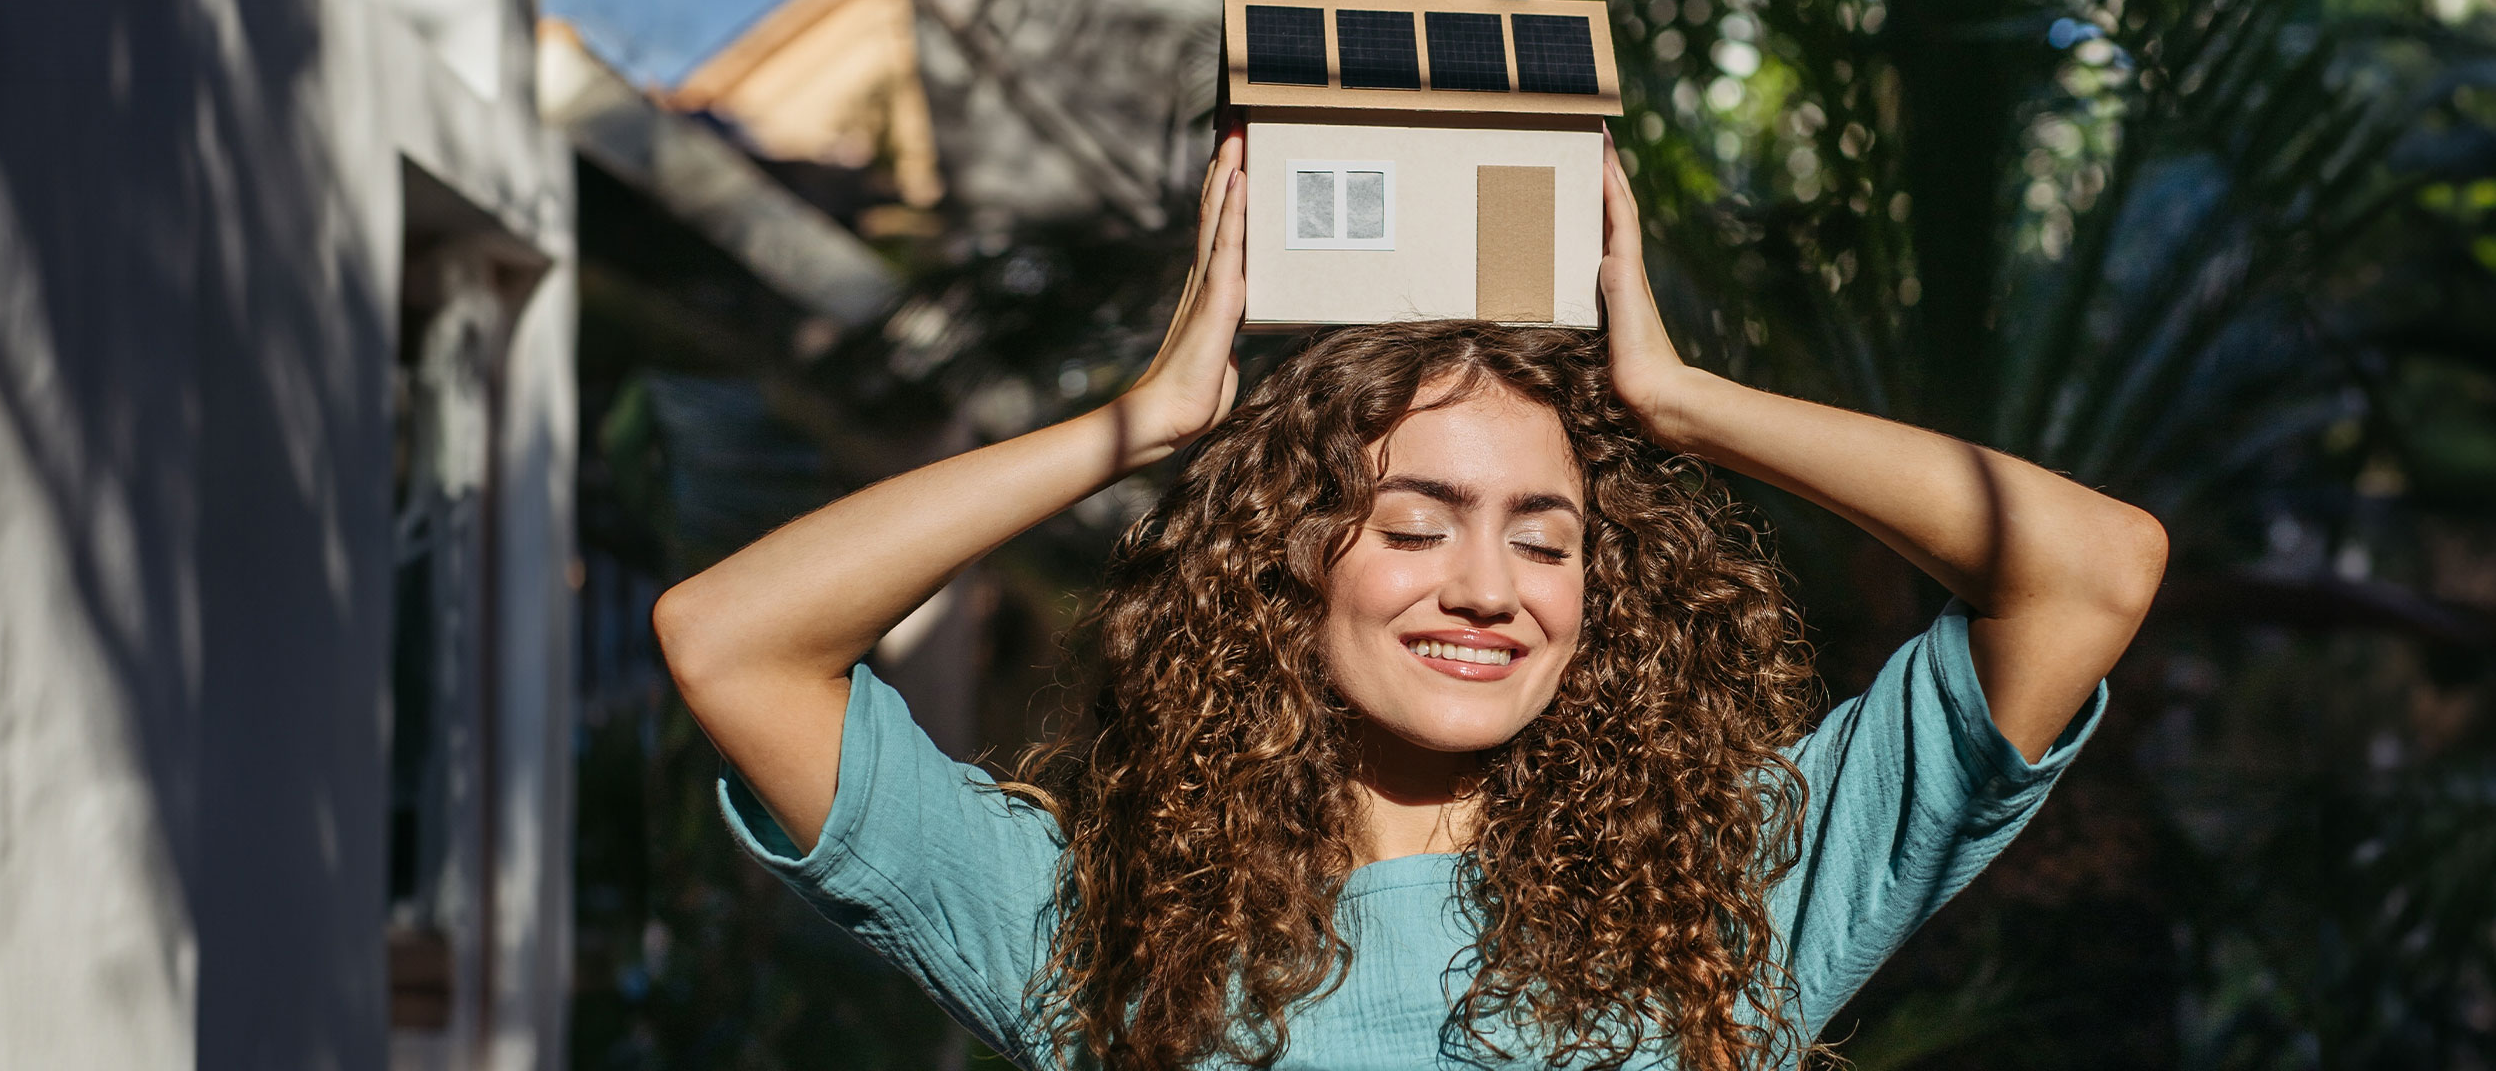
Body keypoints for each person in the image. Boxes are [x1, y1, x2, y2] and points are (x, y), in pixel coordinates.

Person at [655, 130, 2168, 1070]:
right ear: (1289, 567)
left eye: (1546, 536)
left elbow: (2092, 571)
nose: (1489, 589)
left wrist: (1686, 403)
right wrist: (1146, 418)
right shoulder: (1103, 938)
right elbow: (733, 642)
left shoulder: (1732, 906)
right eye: (1414, 523)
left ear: (1602, 592)